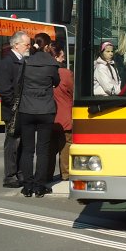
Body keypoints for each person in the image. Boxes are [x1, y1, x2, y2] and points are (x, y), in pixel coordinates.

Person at [17, 32, 60, 197]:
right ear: (47, 46)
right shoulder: (52, 62)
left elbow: (18, 81)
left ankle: (27, 186)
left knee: (27, 149)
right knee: (43, 149)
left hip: (26, 109)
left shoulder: (26, 61)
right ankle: (40, 186)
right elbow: (56, 82)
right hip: (46, 109)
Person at [0, 31, 30, 188]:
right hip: (12, 111)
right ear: (16, 45)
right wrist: (14, 106)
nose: (29, 47)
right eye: (26, 44)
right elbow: (4, 90)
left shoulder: (23, 61)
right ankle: (10, 176)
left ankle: (20, 173)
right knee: (12, 143)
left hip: (23, 109)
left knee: (22, 143)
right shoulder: (7, 62)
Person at [50, 40, 74, 181]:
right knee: (66, 145)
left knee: (49, 147)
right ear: (57, 56)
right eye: (62, 56)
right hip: (65, 115)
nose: (64, 59)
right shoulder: (65, 73)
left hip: (49, 116)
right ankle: (66, 174)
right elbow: (73, 91)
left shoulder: (44, 72)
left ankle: (46, 174)